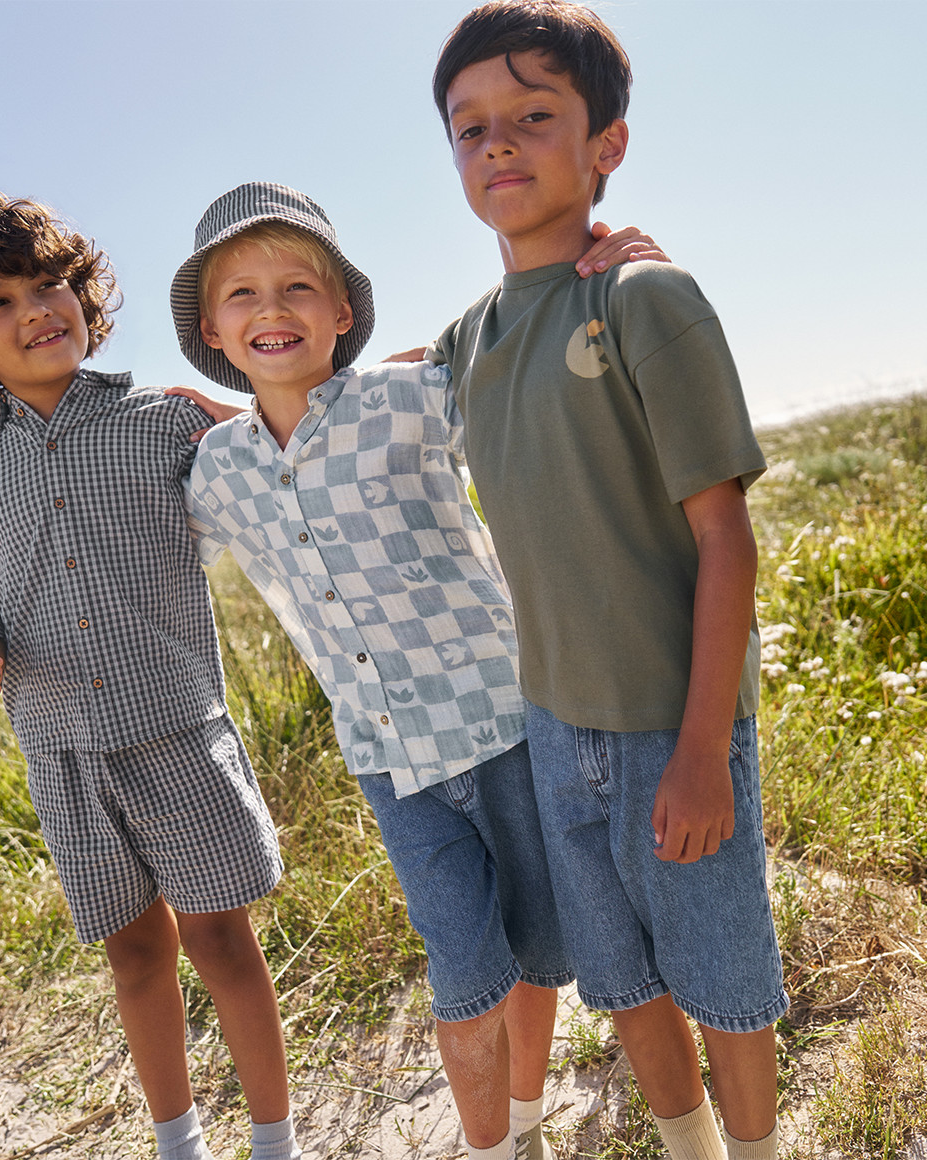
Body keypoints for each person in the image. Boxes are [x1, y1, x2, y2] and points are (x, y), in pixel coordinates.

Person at [171, 182, 663, 1160]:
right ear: (212, 331)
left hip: (508, 724)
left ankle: (525, 1126)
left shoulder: (407, 396)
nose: (271, 309)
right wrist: (29, 440)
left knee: (539, 955)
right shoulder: (216, 469)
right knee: (463, 981)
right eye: (241, 295)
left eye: (297, 286)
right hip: (392, 763)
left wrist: (604, 278)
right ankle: (489, 1146)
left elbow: (523, 356)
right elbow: (141, 542)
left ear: (340, 310)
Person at [428, 4, 789, 1159]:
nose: (497, 143)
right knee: (622, 981)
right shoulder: (466, 338)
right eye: (469, 127)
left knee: (723, 982)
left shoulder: (642, 298)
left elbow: (725, 538)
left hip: (672, 722)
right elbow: (344, 395)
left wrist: (700, 751)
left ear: (605, 144)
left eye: (533, 115)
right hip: (551, 723)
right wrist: (220, 399)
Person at [0, 190, 298, 1160]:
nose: (34, 311)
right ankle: (177, 1142)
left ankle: (275, 1142)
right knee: (134, 953)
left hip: (176, 731)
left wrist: (237, 411)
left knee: (222, 941)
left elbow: (284, 442)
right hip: (61, 751)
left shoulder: (161, 422)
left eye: (48, 284)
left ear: (82, 294)